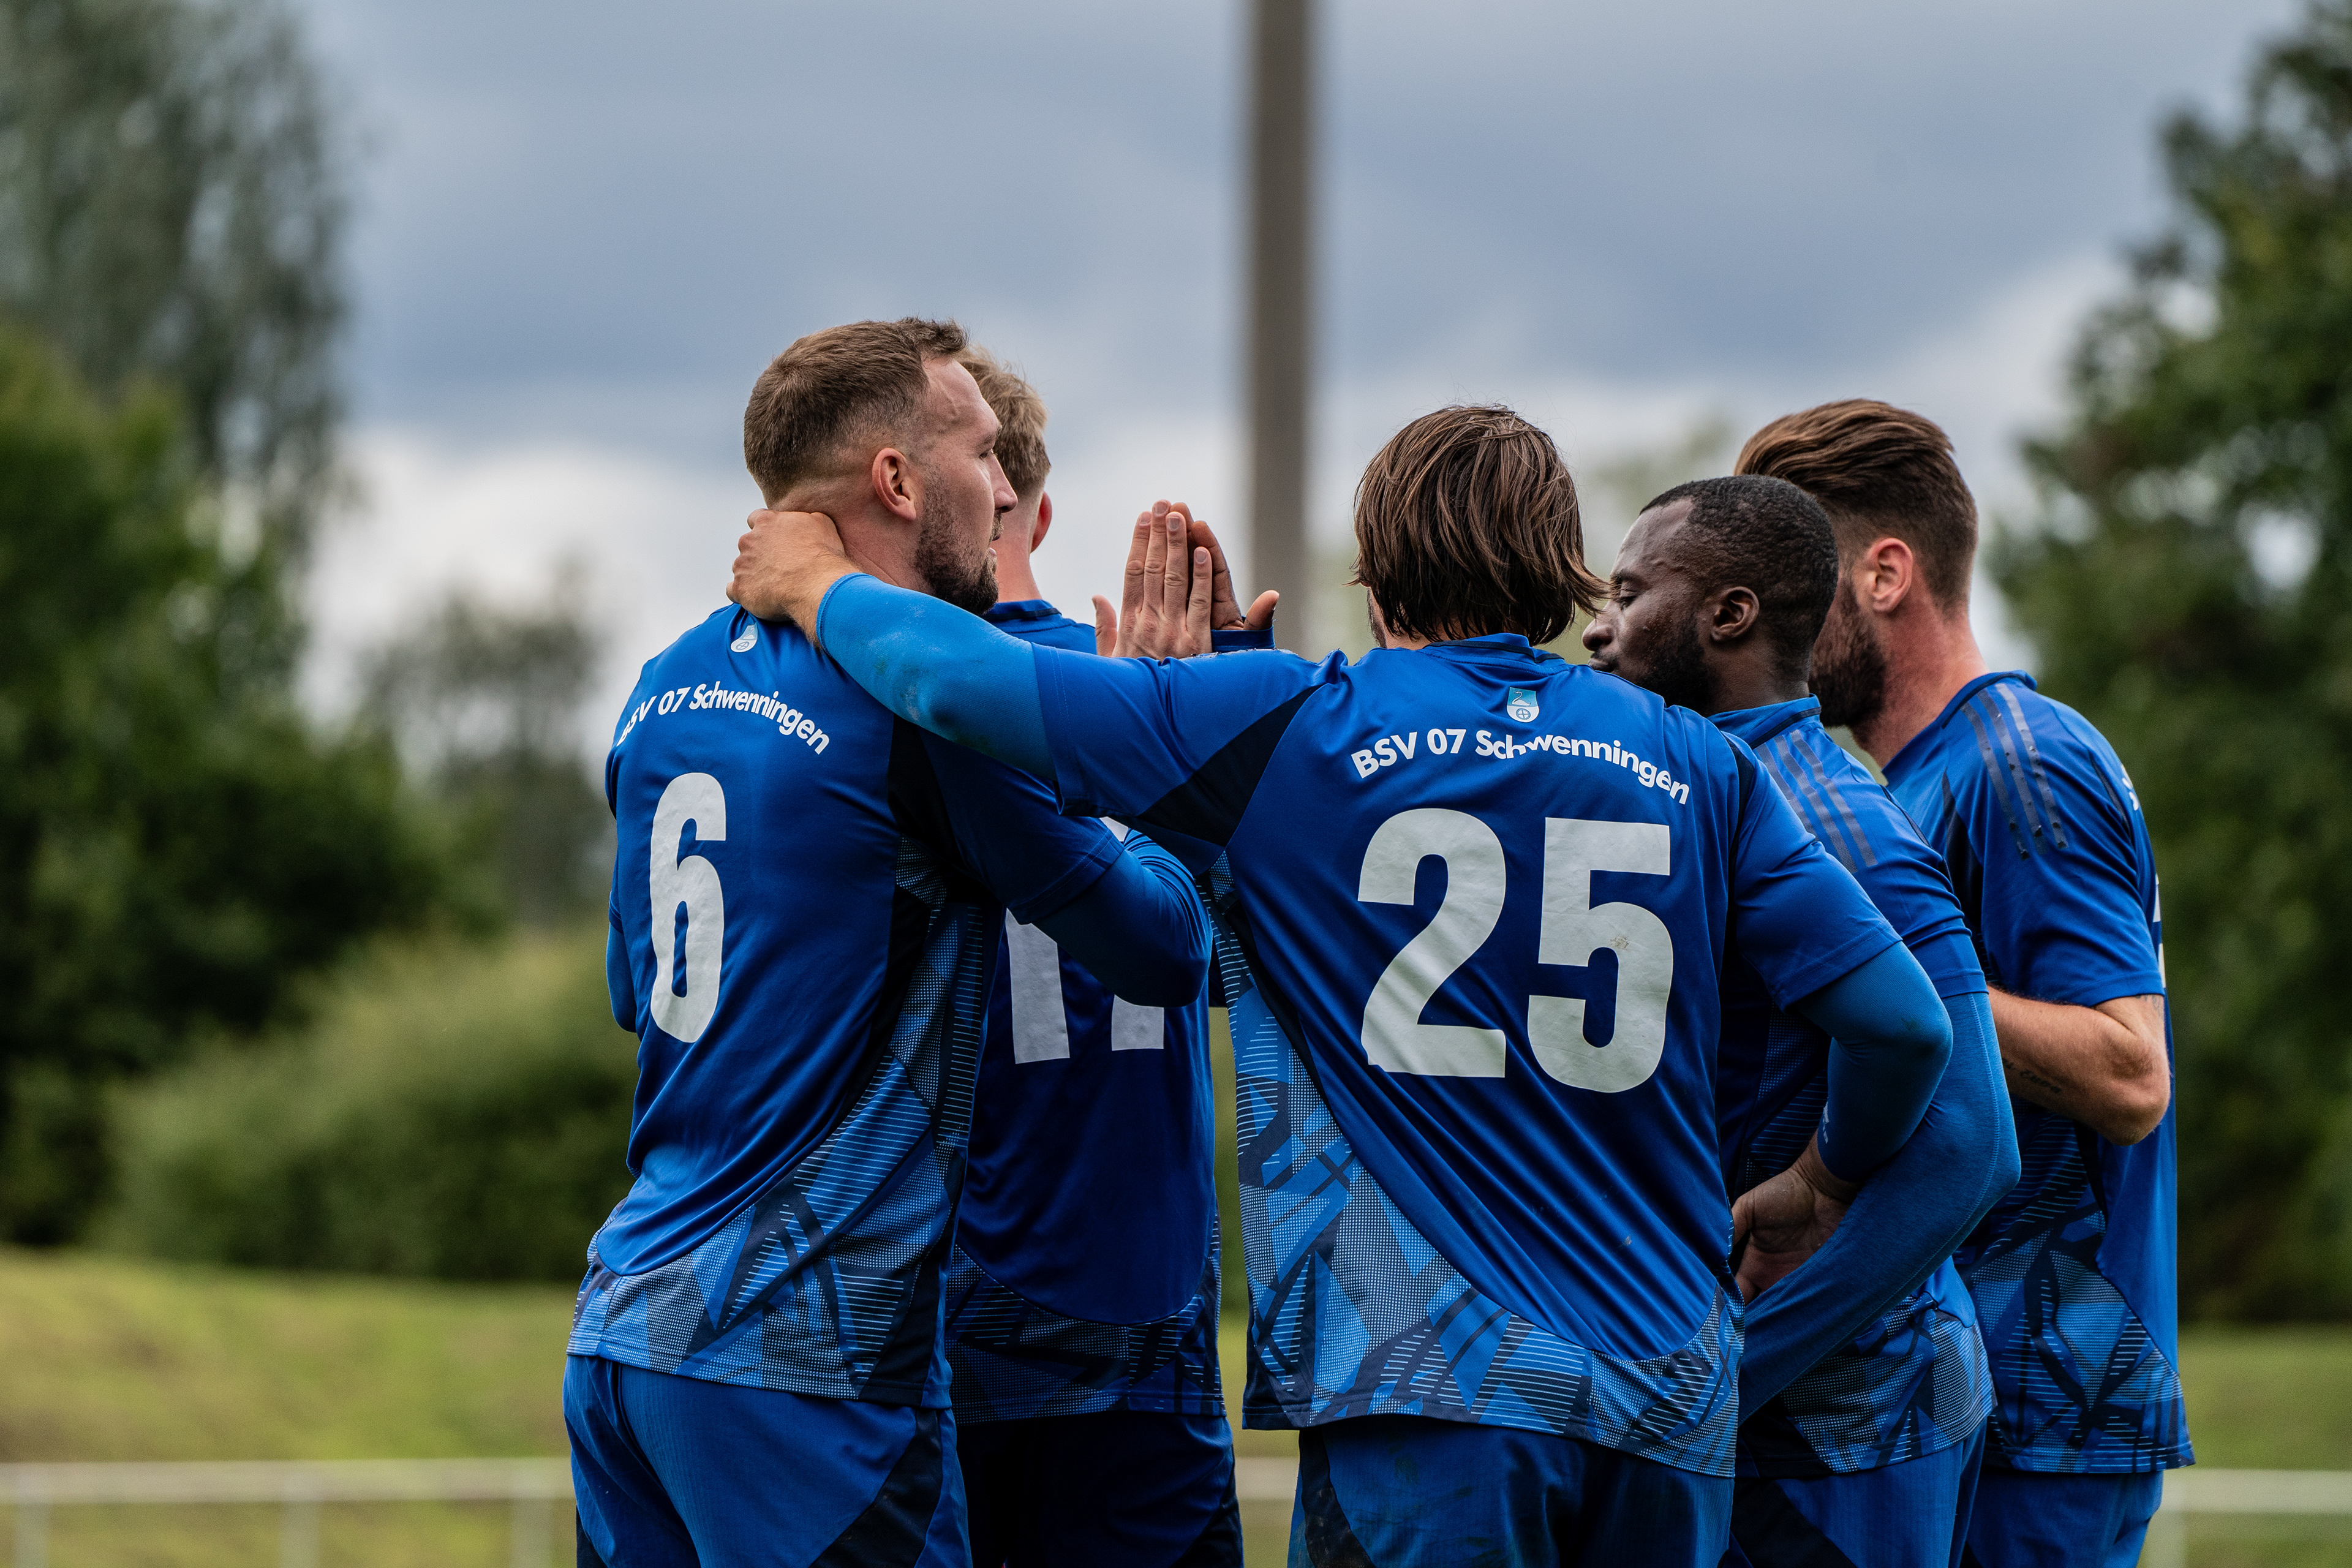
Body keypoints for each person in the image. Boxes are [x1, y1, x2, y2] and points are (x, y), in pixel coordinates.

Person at [728, 402, 1967, 1567]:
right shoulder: (1704, 761)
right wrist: (1824, 1178)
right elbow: (1905, 1026)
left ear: (1376, 578)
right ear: (1564, 569)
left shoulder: (1294, 723)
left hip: (1430, 1394)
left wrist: (813, 579)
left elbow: (952, 682)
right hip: (1664, 1409)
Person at [564, 317, 1211, 1568]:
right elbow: (1164, 947)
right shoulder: (916, 703)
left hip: (625, 1337)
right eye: (983, 453)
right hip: (806, 1364)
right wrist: (1161, 761)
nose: (1006, 489)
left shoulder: (661, 688)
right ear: (900, 482)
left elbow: (633, 991)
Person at [1737, 401, 2188, 1568]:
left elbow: (2131, 1074)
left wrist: (1891, 990)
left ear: (1885, 575)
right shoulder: (1909, 781)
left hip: (2051, 1403)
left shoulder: (2022, 761)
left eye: (1800, 582)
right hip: (1965, 1398)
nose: (1776, 618)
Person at [1582, 473, 2019, 1567]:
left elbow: (1973, 1144)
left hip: (1851, 1431)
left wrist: (1723, 1383)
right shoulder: (1703, 792)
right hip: (1754, 1428)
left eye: (1629, 595)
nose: (1596, 628)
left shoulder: (1834, 819)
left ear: (1729, 615)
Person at [941, 347, 1255, 1567]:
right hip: (1145, 1307)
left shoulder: (890, 698)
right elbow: (1235, 966)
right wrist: (1220, 738)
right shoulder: (1162, 685)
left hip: (947, 1308)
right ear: (1037, 508)